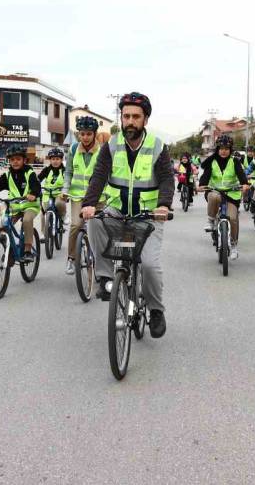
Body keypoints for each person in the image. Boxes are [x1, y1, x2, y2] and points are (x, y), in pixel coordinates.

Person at [81, 92, 172, 338]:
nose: (130, 121)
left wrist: (164, 205)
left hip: (149, 216)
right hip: (117, 210)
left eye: (136, 117)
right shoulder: (111, 145)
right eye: (126, 116)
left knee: (150, 265)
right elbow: (99, 175)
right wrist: (89, 204)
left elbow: (167, 178)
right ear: (121, 118)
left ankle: (155, 310)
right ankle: (105, 278)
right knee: (93, 221)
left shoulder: (157, 146)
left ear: (145, 119)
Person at [0, 145, 41, 262]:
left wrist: (33, 194)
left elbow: (36, 185)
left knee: (27, 220)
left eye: (18, 159)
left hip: (30, 206)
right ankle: (9, 250)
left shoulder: (29, 173)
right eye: (12, 159)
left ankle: (28, 250)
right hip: (14, 207)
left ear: (24, 160)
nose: (15, 162)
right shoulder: (8, 176)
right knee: (3, 225)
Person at [198, 134, 250, 260]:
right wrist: (201, 185)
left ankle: (233, 245)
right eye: (221, 148)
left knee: (233, 218)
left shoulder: (235, 161)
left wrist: (245, 184)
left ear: (230, 150)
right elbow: (206, 176)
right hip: (215, 191)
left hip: (231, 194)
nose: (224, 151)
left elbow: (241, 174)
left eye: (226, 149)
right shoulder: (212, 161)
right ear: (218, 149)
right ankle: (211, 220)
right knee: (214, 197)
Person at [62, 116, 103, 275]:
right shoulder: (73, 149)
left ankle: (102, 260)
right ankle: (71, 258)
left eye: (89, 134)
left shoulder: (102, 151)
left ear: (94, 134)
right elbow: (68, 172)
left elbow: (107, 174)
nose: (85, 137)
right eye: (82, 134)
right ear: (78, 134)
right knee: (76, 225)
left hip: (99, 197)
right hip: (78, 196)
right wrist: (65, 189)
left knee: (100, 228)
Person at [37, 148, 68, 247]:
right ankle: (43, 233)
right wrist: (35, 187)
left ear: (61, 159)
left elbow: (68, 182)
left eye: (57, 159)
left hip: (60, 194)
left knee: (59, 204)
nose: (55, 161)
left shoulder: (65, 170)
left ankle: (63, 216)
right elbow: (38, 179)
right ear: (50, 160)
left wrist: (66, 191)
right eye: (53, 159)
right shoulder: (46, 170)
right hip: (47, 193)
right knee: (43, 212)